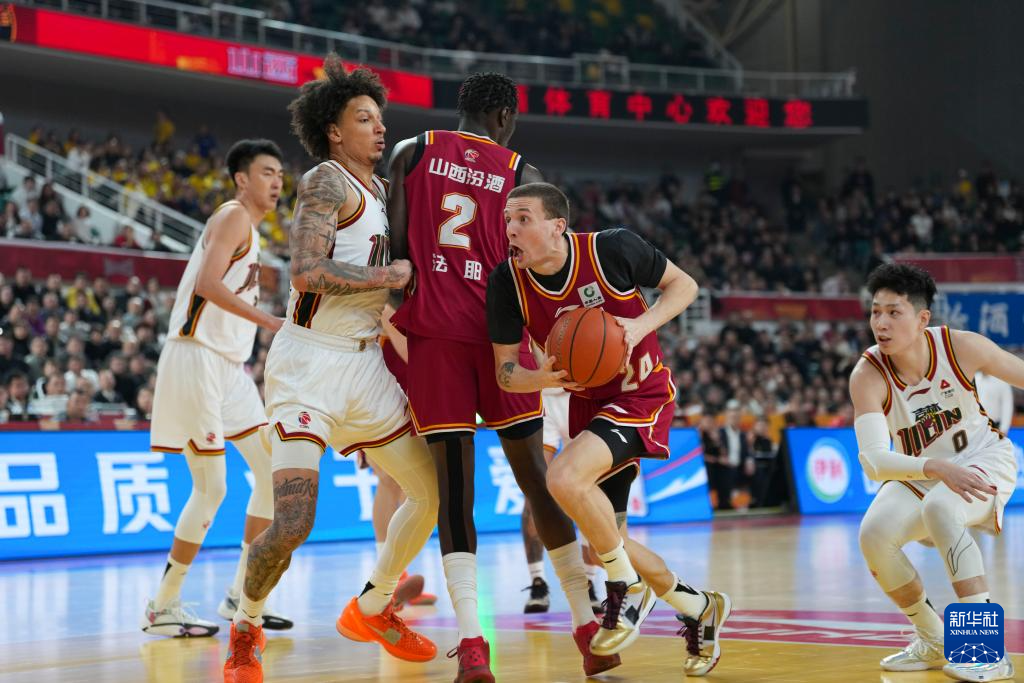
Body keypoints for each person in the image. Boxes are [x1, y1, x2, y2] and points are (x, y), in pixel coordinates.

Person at [388, 73, 608, 680]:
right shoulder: (520, 172)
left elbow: (397, 257)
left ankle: (472, 643)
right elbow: (534, 265)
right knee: (538, 482)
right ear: (505, 116)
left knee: (455, 493)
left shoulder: (411, 151)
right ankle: (586, 628)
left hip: (435, 340)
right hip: (500, 338)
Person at [224, 57, 438, 683]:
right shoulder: (327, 181)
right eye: (364, 118)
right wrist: (389, 275)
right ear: (335, 131)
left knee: (434, 494)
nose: (380, 127)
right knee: (294, 522)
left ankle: (373, 605)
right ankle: (246, 627)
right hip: (309, 364)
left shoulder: (386, 194)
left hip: (365, 364)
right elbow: (307, 271)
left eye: (380, 117)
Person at [486, 182, 731, 676]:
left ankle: (627, 586)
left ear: (557, 226)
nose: (510, 229)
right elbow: (505, 372)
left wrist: (639, 327)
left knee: (562, 478)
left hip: (641, 396)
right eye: (508, 219)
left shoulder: (610, 248)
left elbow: (685, 286)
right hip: (589, 407)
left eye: (523, 218)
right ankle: (699, 606)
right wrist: (540, 378)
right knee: (608, 541)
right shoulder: (507, 282)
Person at [141, 139, 293, 639]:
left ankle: (242, 594)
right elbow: (207, 284)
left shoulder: (250, 229)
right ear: (241, 179)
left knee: (271, 472)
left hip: (229, 368)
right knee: (212, 488)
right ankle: (162, 605)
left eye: (280, 174)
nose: (277, 182)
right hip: (196, 357)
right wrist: (269, 320)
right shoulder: (232, 216)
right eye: (267, 172)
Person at [852, 263, 1019, 682]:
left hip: (985, 457)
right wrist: (935, 467)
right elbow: (874, 461)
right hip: (927, 472)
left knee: (942, 508)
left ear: (922, 318)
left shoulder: (961, 347)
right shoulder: (868, 375)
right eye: (875, 312)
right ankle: (933, 639)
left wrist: (942, 470)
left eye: (894, 312)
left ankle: (986, 651)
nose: (881, 324)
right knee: (874, 536)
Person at [522, 384, 604, 614]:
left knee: (587, 490)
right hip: (540, 396)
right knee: (535, 491)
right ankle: (537, 582)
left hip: (581, 395)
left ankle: (588, 583)